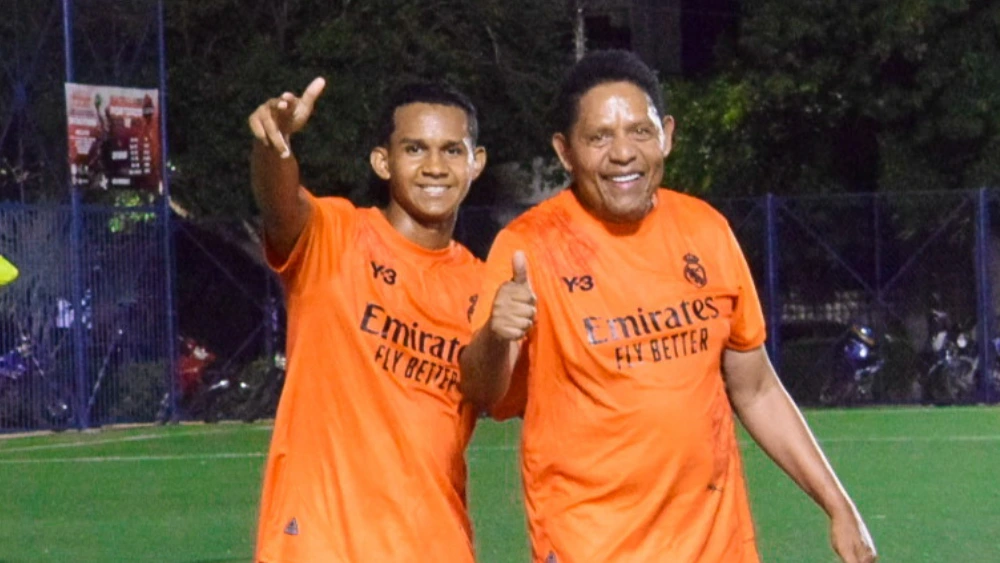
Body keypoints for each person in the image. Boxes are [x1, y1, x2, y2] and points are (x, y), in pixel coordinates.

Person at [460, 49, 878, 563]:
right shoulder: (528, 247)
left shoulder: (706, 231)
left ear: (667, 136)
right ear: (565, 152)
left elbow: (758, 388)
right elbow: (482, 391)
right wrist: (496, 335)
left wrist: (838, 504)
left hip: (715, 546)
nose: (623, 153)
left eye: (640, 131)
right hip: (591, 547)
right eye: (599, 137)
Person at [247, 77, 487, 562]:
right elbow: (279, 204)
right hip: (322, 544)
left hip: (435, 545)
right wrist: (274, 145)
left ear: (475, 163)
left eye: (453, 151)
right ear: (383, 161)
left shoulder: (486, 289)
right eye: (415, 149)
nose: (435, 167)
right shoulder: (335, 236)